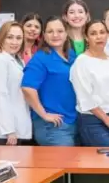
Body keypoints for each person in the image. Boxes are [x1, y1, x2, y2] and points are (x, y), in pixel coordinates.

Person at [21, 16, 78, 146]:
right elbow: (27, 88)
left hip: (72, 121)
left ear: (66, 33)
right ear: (44, 35)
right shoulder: (41, 58)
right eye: (50, 31)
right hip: (53, 127)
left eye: (59, 31)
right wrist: (44, 114)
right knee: (63, 165)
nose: (55, 35)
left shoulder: (71, 54)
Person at [70, 20, 109, 147]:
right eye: (93, 33)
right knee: (105, 162)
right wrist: (106, 119)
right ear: (86, 37)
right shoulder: (82, 62)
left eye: (102, 32)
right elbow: (85, 97)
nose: (99, 36)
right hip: (93, 120)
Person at [0, 21, 32, 146]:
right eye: (10, 37)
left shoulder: (18, 61)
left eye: (18, 38)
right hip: (4, 132)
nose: (14, 42)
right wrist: (9, 130)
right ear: (1, 38)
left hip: (17, 128)